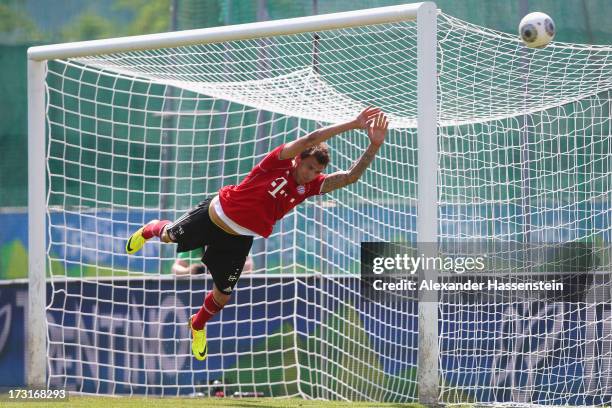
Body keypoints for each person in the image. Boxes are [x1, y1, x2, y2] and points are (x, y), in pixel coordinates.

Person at [125, 107, 389, 361]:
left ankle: (197, 324)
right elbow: (312, 138)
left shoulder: (311, 187)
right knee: (170, 236)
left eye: (317, 171)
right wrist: (354, 124)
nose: (311, 175)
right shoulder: (278, 161)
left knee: (223, 295)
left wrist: (374, 145)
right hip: (215, 215)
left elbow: (350, 177)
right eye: (308, 167)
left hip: (240, 238)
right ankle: (150, 228)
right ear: (298, 160)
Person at [172, 250, 253, 276]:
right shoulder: (195, 243)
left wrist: (222, 268)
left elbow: (248, 266)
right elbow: (175, 268)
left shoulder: (232, 240)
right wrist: (189, 271)